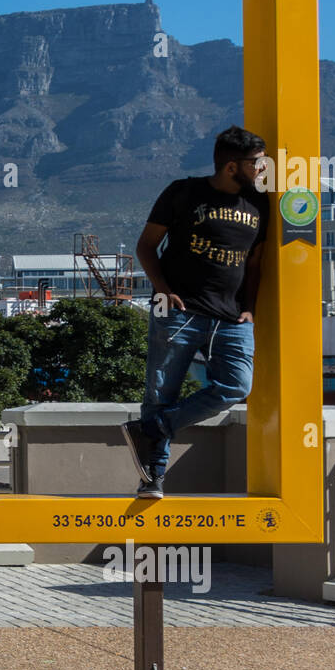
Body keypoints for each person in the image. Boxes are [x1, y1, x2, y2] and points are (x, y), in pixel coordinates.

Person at [121, 125, 270, 500]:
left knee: (236, 385)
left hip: (233, 318)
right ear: (233, 166)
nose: (263, 167)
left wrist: (250, 308)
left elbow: (254, 264)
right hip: (179, 312)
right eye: (257, 162)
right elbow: (146, 247)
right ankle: (152, 477)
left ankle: (152, 428)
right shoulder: (182, 193)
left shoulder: (261, 203)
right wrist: (164, 291)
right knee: (160, 392)